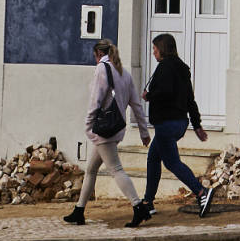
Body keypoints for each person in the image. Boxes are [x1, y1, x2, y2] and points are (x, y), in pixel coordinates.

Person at [63, 38, 154, 228]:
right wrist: (144, 132)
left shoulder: (101, 70)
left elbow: (95, 101)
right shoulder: (125, 73)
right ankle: (79, 210)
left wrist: (88, 126)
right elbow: (136, 105)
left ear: (98, 54)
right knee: (91, 169)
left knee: (116, 169)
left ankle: (139, 208)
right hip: (115, 128)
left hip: (103, 129)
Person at [140, 32, 215, 219]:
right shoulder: (182, 69)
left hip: (166, 123)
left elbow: (164, 92)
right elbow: (190, 100)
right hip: (180, 122)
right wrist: (197, 125)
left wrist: (149, 96)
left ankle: (201, 192)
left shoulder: (165, 68)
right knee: (153, 158)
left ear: (162, 49)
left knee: (172, 162)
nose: (153, 53)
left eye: (155, 49)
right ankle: (147, 202)